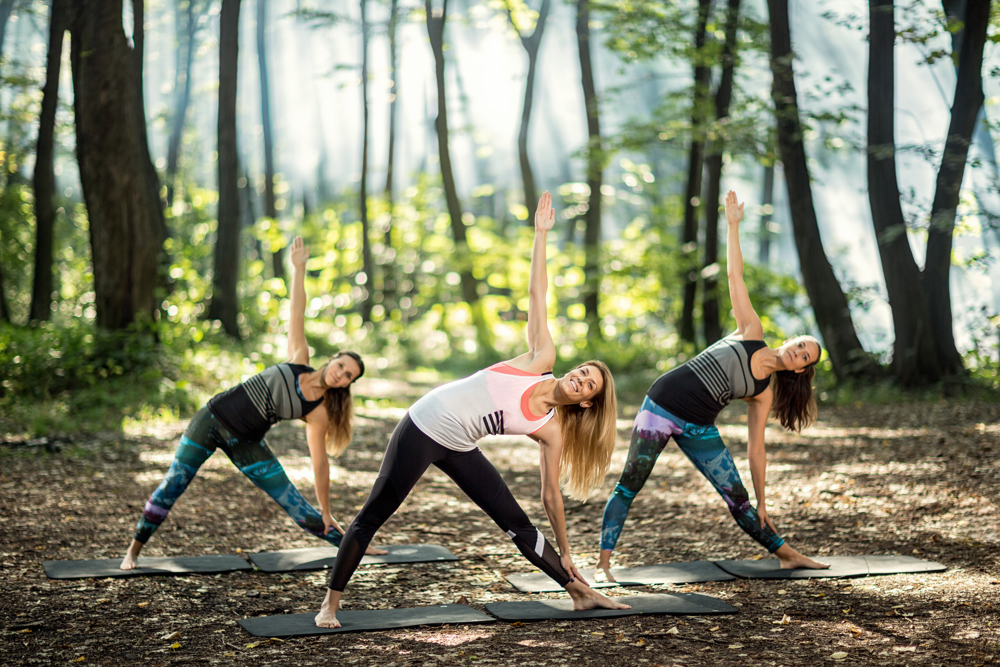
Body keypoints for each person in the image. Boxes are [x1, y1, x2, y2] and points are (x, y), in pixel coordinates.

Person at [314, 192, 629, 628]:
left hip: (459, 445)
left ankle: (578, 591)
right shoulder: (539, 361)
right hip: (424, 426)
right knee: (374, 514)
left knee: (515, 521)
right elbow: (538, 293)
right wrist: (541, 235)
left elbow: (550, 495)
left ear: (588, 401)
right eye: (581, 370)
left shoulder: (552, 429)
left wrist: (568, 550)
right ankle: (329, 605)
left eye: (587, 383)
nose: (578, 378)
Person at [597, 190, 828, 579]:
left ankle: (788, 554)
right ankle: (602, 565)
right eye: (801, 345)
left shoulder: (764, 392)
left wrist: (762, 498)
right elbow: (733, 276)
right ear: (791, 339)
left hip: (699, 426)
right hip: (659, 407)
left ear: (801, 370)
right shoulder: (749, 331)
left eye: (806, 357)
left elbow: (757, 449)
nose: (799, 353)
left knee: (737, 500)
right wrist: (733, 225)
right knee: (629, 485)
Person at [121, 236, 384, 569]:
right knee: (173, 484)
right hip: (210, 421)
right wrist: (299, 270)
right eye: (341, 366)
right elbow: (297, 309)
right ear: (332, 359)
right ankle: (132, 552)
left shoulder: (317, 413)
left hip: (246, 441)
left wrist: (327, 511)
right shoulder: (298, 357)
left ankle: (354, 546)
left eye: (348, 376)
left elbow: (320, 465)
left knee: (295, 504)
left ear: (348, 385)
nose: (341, 375)